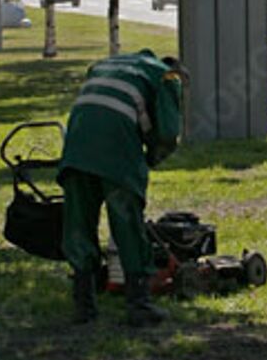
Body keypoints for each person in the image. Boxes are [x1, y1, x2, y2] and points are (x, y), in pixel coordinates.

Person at [57, 49, 185, 326]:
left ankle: (84, 306)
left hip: (76, 150)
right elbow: (166, 133)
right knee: (127, 224)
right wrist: (150, 159)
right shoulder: (164, 77)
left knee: (79, 225)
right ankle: (139, 305)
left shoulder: (106, 65)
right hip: (115, 153)